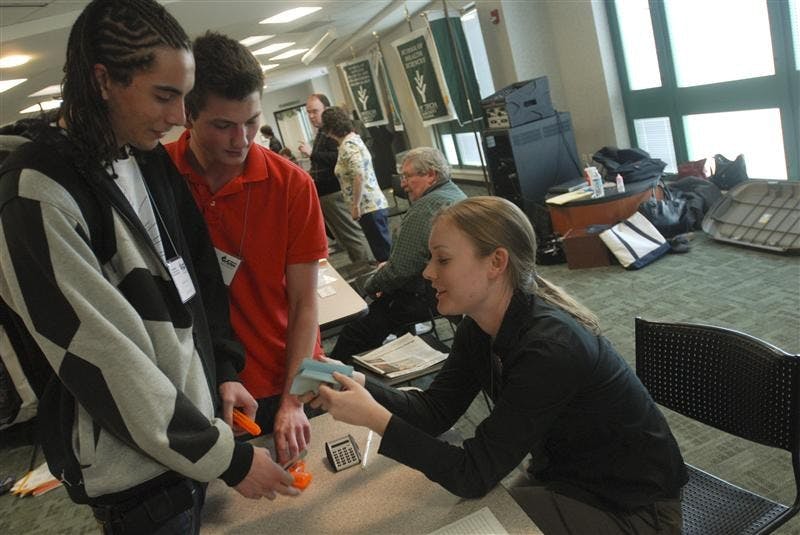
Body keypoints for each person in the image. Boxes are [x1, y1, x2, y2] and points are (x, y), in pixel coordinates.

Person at [0, 1, 299, 532]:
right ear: (103, 80)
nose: (178, 119)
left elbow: (197, 277)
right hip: (136, 472)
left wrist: (222, 370)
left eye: (183, 98)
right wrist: (224, 459)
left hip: (194, 433)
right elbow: (102, 356)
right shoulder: (36, 193)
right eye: (164, 96)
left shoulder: (143, 155)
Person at [309, 196, 688, 534]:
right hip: (568, 478)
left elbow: (472, 474)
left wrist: (374, 417)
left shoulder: (549, 349)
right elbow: (434, 411)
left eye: (442, 259)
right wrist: (352, 378)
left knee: (459, 519)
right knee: (455, 518)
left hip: (632, 510)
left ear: (496, 262)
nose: (427, 272)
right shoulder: (479, 327)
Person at [165, 32, 327, 465]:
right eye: (223, 125)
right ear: (187, 114)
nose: (241, 139)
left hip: (286, 375)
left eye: (251, 121)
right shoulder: (159, 176)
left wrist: (294, 399)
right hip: (203, 379)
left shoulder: (293, 185)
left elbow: (305, 303)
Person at [328, 147, 466, 361]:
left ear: (431, 175)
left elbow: (400, 270)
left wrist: (372, 287)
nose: (402, 184)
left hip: (429, 294)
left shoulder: (425, 209)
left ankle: (332, 380)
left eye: (407, 176)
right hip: (451, 286)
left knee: (357, 330)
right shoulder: (455, 194)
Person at [298, 94, 373, 264]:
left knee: (352, 236)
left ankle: (368, 269)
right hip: (326, 194)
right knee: (344, 239)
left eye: (315, 111)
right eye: (308, 112)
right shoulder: (323, 132)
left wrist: (312, 153)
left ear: (326, 109)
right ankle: (362, 269)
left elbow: (338, 158)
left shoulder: (333, 133)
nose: (311, 116)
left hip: (335, 192)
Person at [321, 106, 391, 262]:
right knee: (383, 250)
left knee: (383, 254)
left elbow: (358, 175)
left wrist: (355, 205)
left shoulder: (348, 145)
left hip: (368, 206)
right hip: (373, 204)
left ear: (330, 128)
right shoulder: (354, 139)